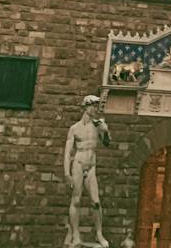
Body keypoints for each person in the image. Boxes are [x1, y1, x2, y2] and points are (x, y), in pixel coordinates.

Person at [64, 94, 111, 248]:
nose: (95, 109)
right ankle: (76, 235)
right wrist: (67, 173)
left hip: (91, 166)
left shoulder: (98, 125)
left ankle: (99, 234)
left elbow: (107, 143)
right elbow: (67, 152)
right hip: (78, 164)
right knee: (76, 200)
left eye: (97, 106)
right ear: (86, 107)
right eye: (93, 106)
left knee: (96, 202)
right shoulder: (75, 128)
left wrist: (105, 131)